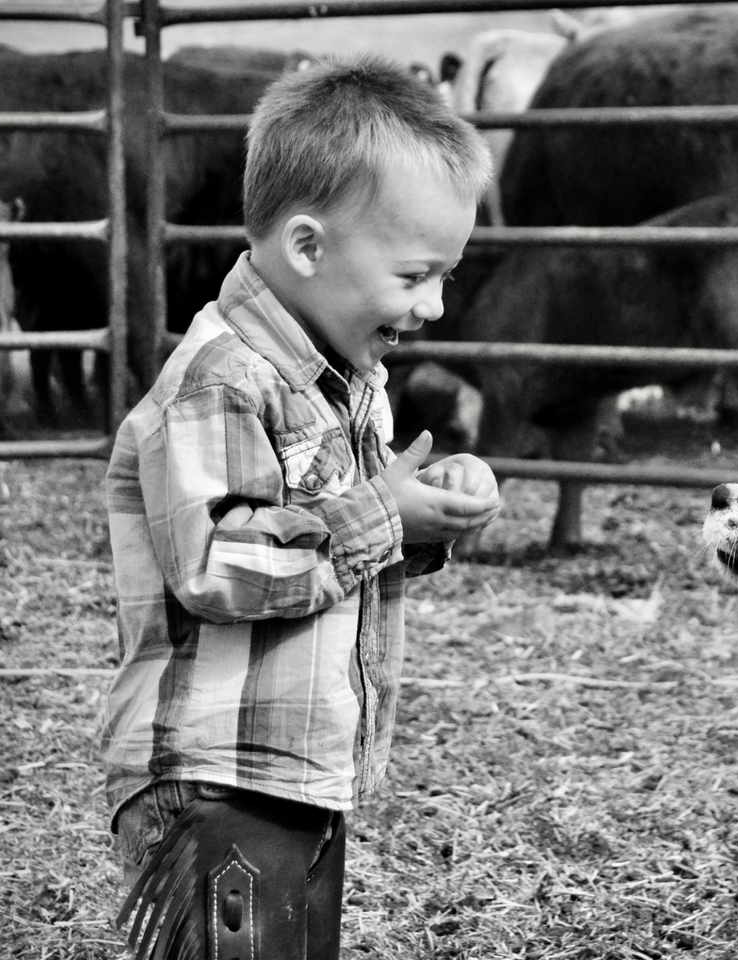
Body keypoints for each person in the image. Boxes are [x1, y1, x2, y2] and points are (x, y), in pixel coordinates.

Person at [100, 55, 500, 959]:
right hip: (211, 783)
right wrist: (382, 517)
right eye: (414, 275)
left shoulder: (343, 376)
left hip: (292, 772)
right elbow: (220, 565)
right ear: (309, 247)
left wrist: (425, 513)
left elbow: (338, 538)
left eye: (446, 276)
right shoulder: (220, 382)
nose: (434, 305)